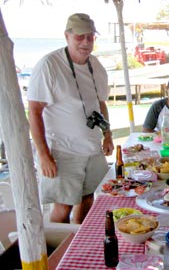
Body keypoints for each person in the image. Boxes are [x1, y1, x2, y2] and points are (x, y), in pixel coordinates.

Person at [27, 13, 114, 224]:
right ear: (67, 36)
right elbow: (34, 110)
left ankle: (78, 243)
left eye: (90, 37)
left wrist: (108, 135)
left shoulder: (96, 66)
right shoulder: (49, 65)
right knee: (62, 205)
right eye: (79, 36)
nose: (86, 42)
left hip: (92, 149)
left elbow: (101, 103)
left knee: (88, 199)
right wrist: (44, 155)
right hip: (63, 151)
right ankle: (56, 253)